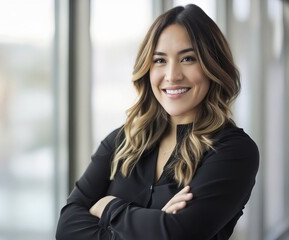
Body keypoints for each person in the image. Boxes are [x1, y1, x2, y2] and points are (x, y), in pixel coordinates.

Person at [56, 4, 259, 240]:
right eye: (160, 60)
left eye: (188, 58)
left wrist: (108, 207)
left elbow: (177, 234)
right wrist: (155, 222)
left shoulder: (233, 151)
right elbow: (66, 228)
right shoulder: (121, 141)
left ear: (212, 66)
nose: (172, 75)